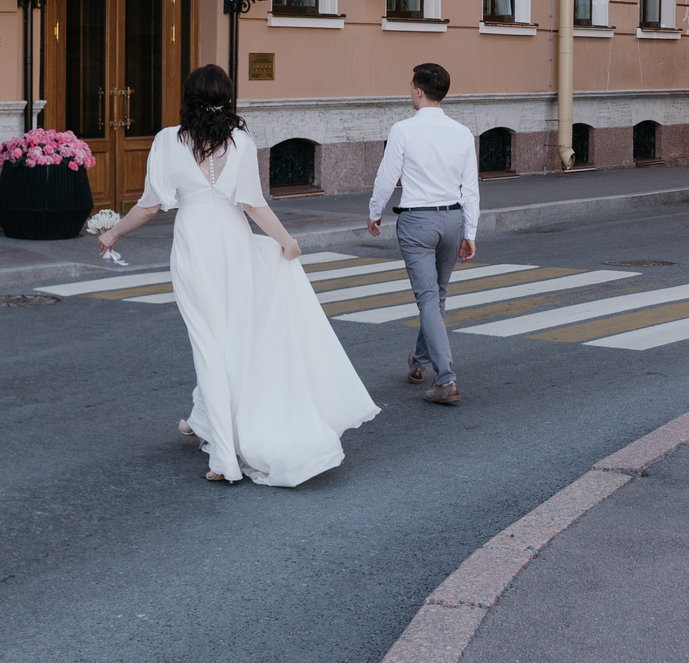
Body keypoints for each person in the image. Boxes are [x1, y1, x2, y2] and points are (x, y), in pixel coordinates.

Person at [96, 65, 379, 485]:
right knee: (231, 338)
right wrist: (287, 241)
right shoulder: (240, 140)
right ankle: (201, 419)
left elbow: (151, 205)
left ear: (188, 97)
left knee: (208, 343)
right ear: (226, 97)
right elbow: (252, 204)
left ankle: (224, 459)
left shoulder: (168, 140)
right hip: (235, 243)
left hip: (195, 246)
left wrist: (114, 232)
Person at [366, 62, 480, 405]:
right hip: (453, 219)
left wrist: (374, 212)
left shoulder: (403, 129)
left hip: (417, 222)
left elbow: (387, 177)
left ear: (418, 91)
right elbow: (471, 187)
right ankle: (418, 362)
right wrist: (470, 230)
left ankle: (446, 380)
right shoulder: (462, 132)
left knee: (429, 299)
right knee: (436, 296)